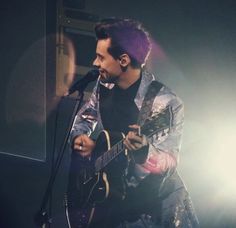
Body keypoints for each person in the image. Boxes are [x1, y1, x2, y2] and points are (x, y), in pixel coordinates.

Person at [67, 17, 199, 228]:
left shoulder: (165, 104)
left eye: (101, 57)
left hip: (153, 210)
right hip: (114, 202)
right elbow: (86, 116)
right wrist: (80, 137)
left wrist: (145, 152)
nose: (95, 63)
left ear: (124, 60)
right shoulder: (104, 86)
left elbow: (170, 163)